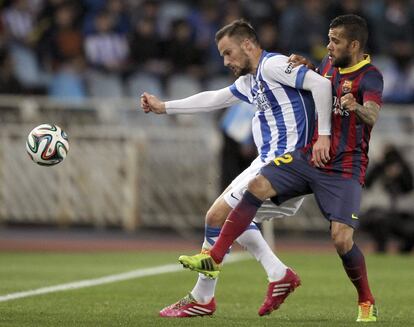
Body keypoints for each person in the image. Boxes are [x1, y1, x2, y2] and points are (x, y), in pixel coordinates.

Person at [179, 14, 383, 323]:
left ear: (354, 45)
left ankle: (365, 299)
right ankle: (215, 257)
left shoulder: (370, 76)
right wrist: (306, 67)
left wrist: (356, 107)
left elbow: (373, 114)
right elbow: (317, 84)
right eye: (328, 39)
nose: (328, 46)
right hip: (311, 156)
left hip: (346, 166)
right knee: (256, 186)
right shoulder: (328, 65)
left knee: (341, 240)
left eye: (335, 41)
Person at [140, 19, 332, 317]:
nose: (226, 61)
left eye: (228, 53)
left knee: (217, 216)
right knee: (233, 220)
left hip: (285, 164)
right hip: (269, 162)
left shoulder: (273, 65)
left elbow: (321, 84)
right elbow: (214, 99)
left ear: (247, 45)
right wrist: (165, 106)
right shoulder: (249, 80)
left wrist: (323, 136)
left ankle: (202, 299)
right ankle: (278, 274)